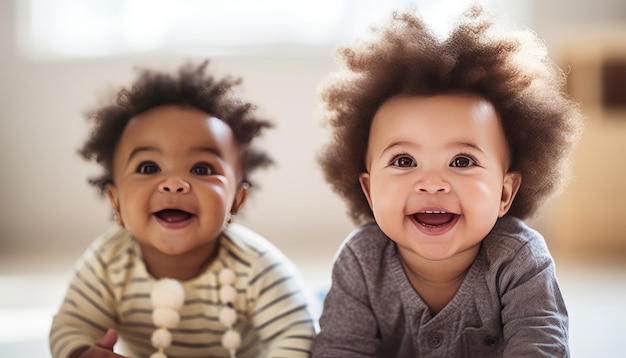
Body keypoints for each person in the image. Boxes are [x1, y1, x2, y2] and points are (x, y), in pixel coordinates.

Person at [312, 6, 583, 357]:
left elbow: (541, 344)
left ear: (504, 193)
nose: (433, 183)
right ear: (368, 189)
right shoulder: (361, 260)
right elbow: (339, 348)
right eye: (404, 161)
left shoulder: (519, 260)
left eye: (461, 161)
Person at [49, 61, 316, 358]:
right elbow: (71, 324)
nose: (174, 184)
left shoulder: (258, 268)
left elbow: (297, 335)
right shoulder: (108, 263)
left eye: (201, 168)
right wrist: (82, 352)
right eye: (149, 167)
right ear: (116, 201)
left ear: (236, 202)